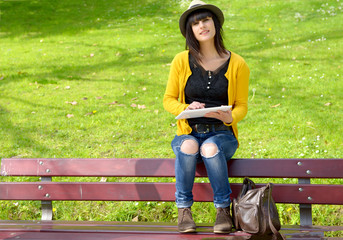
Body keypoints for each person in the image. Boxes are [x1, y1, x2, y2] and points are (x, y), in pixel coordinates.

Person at [163, 0, 250, 234]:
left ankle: (223, 210)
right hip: (189, 132)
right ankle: (184, 211)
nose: (202, 26)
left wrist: (229, 117)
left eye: (206, 20)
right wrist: (186, 107)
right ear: (190, 31)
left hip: (222, 135)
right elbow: (168, 99)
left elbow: (241, 105)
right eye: (196, 23)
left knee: (210, 147)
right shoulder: (181, 60)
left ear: (215, 24)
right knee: (189, 146)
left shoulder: (237, 63)